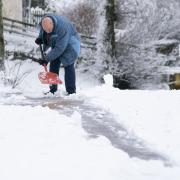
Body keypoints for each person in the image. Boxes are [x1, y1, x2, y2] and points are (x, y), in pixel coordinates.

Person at [35, 14, 81, 95]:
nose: (48, 32)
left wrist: (46, 59)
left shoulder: (62, 28)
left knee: (68, 65)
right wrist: (40, 38)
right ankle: (53, 90)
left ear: (53, 24)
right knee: (53, 64)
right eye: (46, 30)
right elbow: (43, 32)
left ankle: (71, 92)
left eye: (49, 30)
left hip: (71, 46)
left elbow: (59, 49)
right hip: (58, 43)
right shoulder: (45, 22)